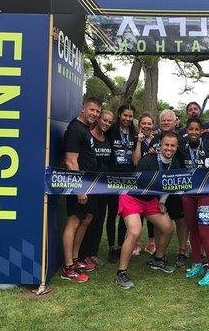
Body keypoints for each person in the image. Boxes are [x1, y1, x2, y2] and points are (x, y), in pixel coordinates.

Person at [116, 131, 181, 289]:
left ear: (177, 147)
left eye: (173, 146)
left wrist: (162, 201)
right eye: (166, 145)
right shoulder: (147, 161)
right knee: (135, 231)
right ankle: (121, 273)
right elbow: (137, 184)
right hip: (132, 198)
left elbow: (169, 185)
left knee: (168, 228)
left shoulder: (176, 163)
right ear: (160, 146)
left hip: (150, 200)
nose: (169, 148)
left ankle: (158, 259)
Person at [60, 97, 102, 282]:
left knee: (86, 218)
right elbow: (71, 161)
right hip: (79, 185)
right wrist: (79, 189)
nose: (94, 114)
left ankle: (76, 259)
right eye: (91, 110)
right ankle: (68, 268)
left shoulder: (86, 129)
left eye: (97, 111)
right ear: (83, 108)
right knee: (74, 221)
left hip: (88, 183)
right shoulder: (75, 129)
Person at [182, 118, 209, 286]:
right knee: (193, 230)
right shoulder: (181, 148)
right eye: (191, 129)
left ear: (201, 131)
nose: (193, 132)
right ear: (187, 130)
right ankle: (198, 263)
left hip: (208, 194)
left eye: (196, 129)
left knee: (204, 231)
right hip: (188, 194)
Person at [149, 109, 189, 267]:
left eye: (169, 120)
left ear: (175, 122)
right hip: (158, 190)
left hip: (177, 188)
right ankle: (160, 253)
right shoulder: (154, 139)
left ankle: (182, 251)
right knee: (160, 221)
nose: (166, 123)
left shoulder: (181, 140)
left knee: (181, 220)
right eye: (163, 120)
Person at [80, 109, 114, 267]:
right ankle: (83, 254)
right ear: (98, 119)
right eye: (104, 120)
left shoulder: (107, 139)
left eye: (109, 121)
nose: (106, 123)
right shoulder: (89, 136)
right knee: (88, 219)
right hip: (90, 186)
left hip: (104, 188)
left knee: (100, 219)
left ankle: (93, 252)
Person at [106, 104, 137, 262]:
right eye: (125, 115)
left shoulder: (133, 133)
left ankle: (120, 245)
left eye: (130, 116)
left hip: (128, 179)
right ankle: (112, 247)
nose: (127, 119)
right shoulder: (111, 130)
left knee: (125, 213)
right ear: (120, 115)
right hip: (112, 178)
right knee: (112, 213)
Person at [132, 112, 158, 255]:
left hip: (153, 181)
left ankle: (151, 242)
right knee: (138, 212)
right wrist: (139, 143)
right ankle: (136, 243)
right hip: (139, 182)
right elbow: (136, 161)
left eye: (149, 123)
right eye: (144, 123)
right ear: (139, 125)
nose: (146, 126)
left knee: (152, 211)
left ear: (152, 125)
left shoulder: (158, 140)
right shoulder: (136, 139)